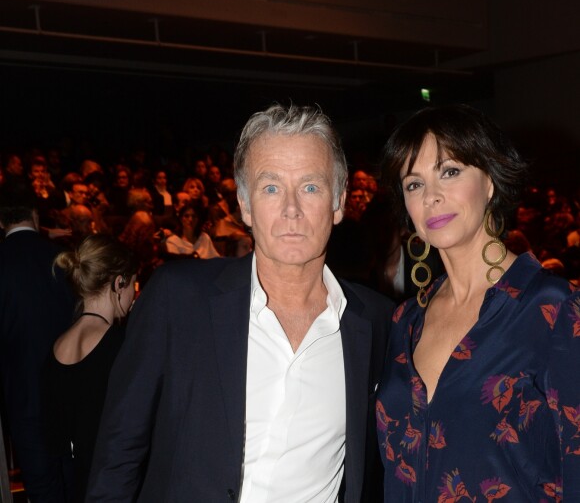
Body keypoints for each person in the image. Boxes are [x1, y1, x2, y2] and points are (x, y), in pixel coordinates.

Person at [86, 103, 392, 502]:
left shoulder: (376, 323)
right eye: (271, 187)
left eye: (311, 187)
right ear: (245, 206)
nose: (291, 209)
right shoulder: (178, 299)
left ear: (338, 203)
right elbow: (118, 454)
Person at [376, 104, 580, 501]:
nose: (432, 196)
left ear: (489, 181)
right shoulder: (406, 321)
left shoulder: (552, 308)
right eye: (413, 184)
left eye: (449, 172)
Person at [41, 234, 138, 503]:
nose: (133, 295)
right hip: (117, 486)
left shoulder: (56, 347)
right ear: (119, 282)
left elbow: (54, 439)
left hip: (78, 486)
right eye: (133, 283)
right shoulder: (123, 344)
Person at [0, 183, 76, 502]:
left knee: (42, 486)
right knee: (74, 481)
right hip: (70, 390)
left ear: (2, 221)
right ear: (34, 216)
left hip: (22, 391)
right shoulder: (62, 257)